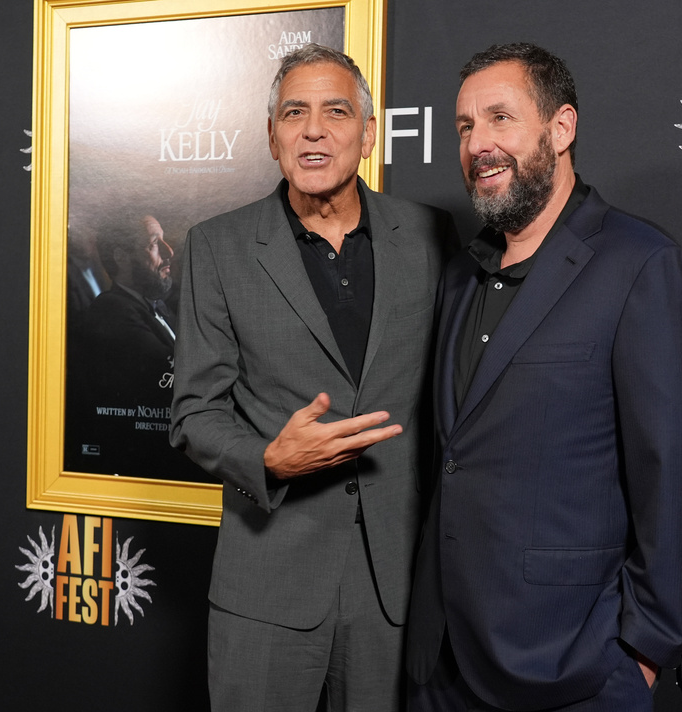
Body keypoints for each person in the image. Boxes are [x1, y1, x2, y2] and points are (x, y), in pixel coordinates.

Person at [405, 43, 682, 712]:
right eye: (465, 126)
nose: (479, 144)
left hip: (572, 668)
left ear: (561, 128)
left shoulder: (641, 266)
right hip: (444, 664)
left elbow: (676, 473)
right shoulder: (461, 273)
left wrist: (642, 651)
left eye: (500, 119)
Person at [170, 44, 457, 711]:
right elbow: (194, 413)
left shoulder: (428, 236)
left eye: (336, 111)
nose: (314, 128)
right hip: (267, 581)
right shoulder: (217, 247)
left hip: (399, 582)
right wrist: (267, 457)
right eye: (294, 113)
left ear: (367, 131)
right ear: (273, 137)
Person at [67, 214, 206, 481]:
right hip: (144, 465)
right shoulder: (111, 312)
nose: (169, 252)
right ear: (121, 257)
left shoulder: (156, 307)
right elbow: (168, 375)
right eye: (155, 243)